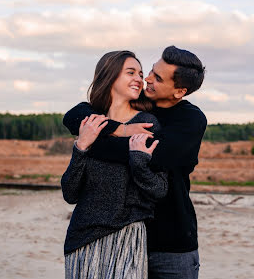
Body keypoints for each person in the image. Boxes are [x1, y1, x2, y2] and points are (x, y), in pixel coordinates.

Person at [63, 46, 207, 279]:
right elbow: (73, 116)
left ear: (179, 91)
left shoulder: (189, 120)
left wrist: (90, 143)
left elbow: (152, 156)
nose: (146, 79)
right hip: (121, 237)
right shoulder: (137, 100)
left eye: (157, 78)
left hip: (170, 242)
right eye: (148, 71)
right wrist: (119, 129)